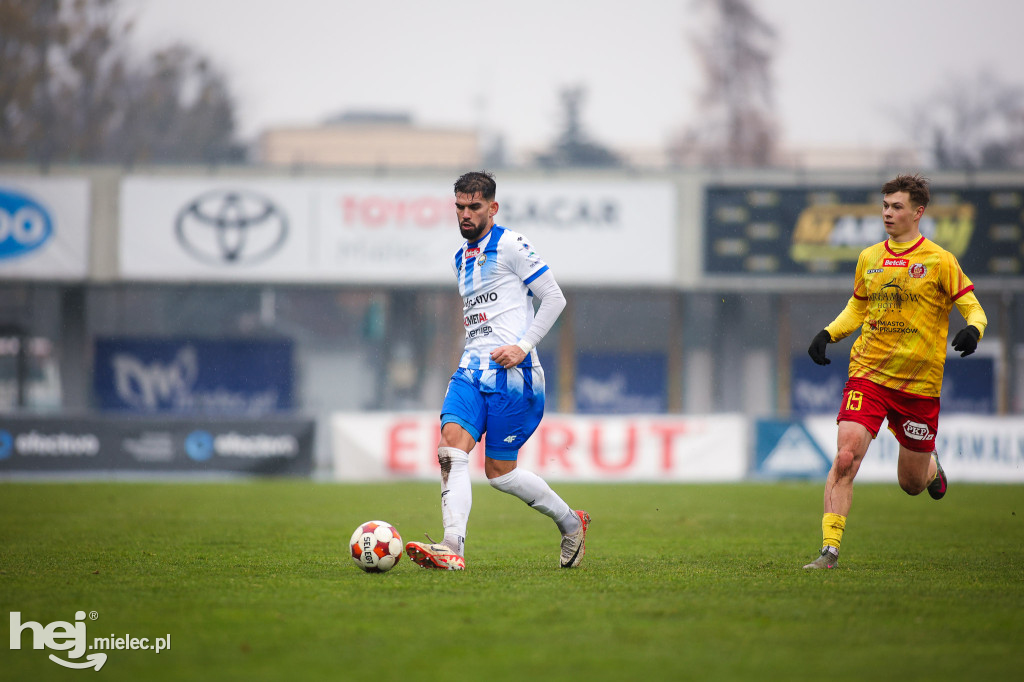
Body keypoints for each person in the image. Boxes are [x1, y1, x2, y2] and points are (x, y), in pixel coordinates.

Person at [404, 170, 590, 571]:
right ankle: (452, 546)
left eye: (474, 207)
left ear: (493, 207)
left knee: (500, 474)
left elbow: (554, 298)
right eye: (459, 207)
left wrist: (523, 348)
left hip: (515, 379)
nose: (465, 215)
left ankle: (572, 523)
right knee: (450, 450)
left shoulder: (511, 244)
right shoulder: (460, 259)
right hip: (470, 372)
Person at [803, 173, 988, 569]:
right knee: (845, 457)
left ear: (918, 212)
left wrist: (974, 329)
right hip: (868, 373)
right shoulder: (869, 258)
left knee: (911, 484)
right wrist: (828, 333)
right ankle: (829, 551)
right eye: (885, 206)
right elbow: (858, 307)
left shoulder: (940, 261)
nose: (888, 213)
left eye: (897, 206)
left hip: (919, 385)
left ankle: (931, 466)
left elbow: (973, 306)